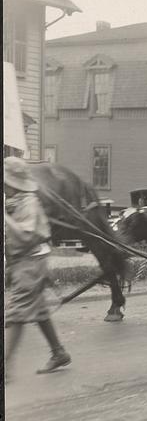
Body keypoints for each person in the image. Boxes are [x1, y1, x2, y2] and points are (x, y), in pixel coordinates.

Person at [4, 156, 71, 379]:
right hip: (24, 261)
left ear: (13, 183)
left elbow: (24, 235)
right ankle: (59, 352)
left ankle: (4, 365)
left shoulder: (29, 203)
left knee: (17, 311)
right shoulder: (16, 202)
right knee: (39, 309)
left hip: (30, 260)